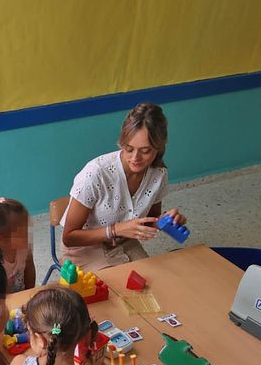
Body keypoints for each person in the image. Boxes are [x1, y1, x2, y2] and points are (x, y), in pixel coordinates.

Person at [60, 102, 186, 270]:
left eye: (145, 151)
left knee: (154, 279)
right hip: (84, 248)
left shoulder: (158, 174)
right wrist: (115, 230)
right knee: (114, 285)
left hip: (123, 242)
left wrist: (164, 222)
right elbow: (69, 238)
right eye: (129, 148)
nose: (135, 158)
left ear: (159, 147)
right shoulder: (97, 172)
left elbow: (148, 222)